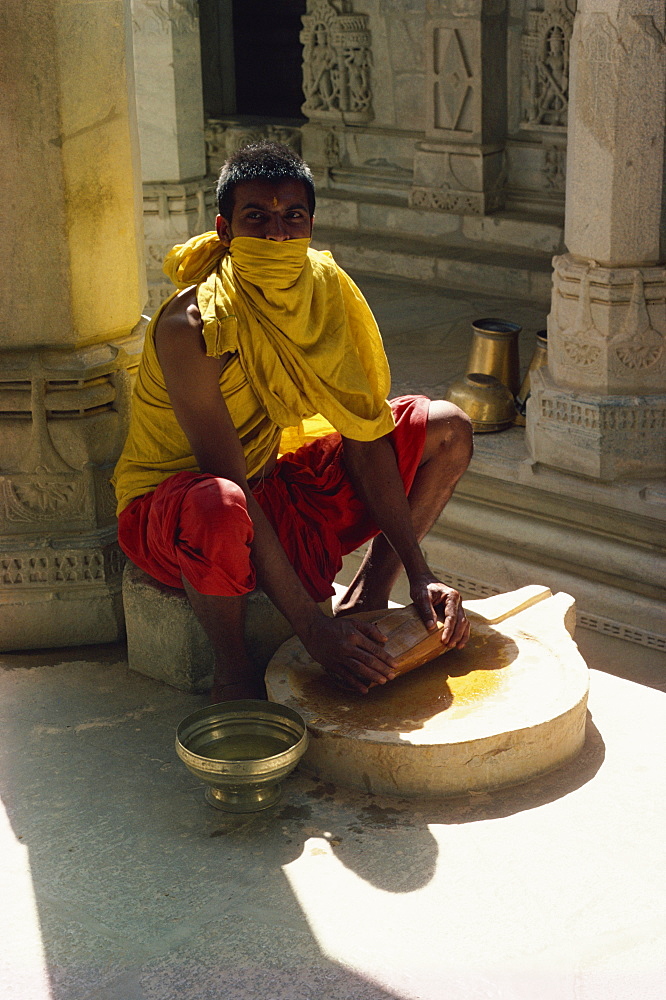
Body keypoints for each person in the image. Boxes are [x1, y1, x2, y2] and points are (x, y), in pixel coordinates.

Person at [113, 142, 473, 702]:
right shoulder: (192, 324)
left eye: (292, 218)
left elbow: (364, 432)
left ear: (310, 225)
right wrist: (311, 626)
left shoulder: (324, 289)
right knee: (222, 505)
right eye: (256, 217)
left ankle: (370, 592)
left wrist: (418, 569)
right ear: (224, 230)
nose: (278, 235)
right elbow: (227, 477)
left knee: (448, 427)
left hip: (267, 483)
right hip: (176, 508)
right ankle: (232, 669)